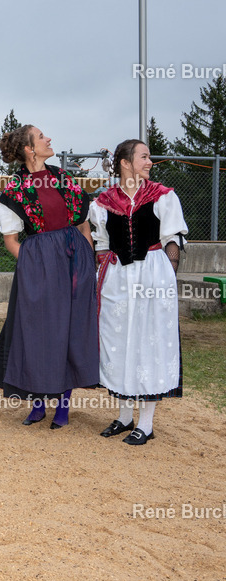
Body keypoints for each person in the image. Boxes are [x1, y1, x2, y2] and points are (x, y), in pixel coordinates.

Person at [0, 124, 98, 428]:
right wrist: (34, 266)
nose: (49, 139)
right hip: (38, 264)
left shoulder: (63, 178)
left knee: (70, 331)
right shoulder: (13, 191)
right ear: (29, 149)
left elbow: (83, 226)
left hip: (74, 257)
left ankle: (63, 408)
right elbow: (11, 239)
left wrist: (89, 264)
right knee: (37, 333)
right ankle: (37, 405)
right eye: (41, 137)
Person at [90, 139, 187, 445]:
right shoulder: (102, 203)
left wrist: (167, 275)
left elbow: (173, 239)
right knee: (117, 342)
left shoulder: (163, 197)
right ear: (125, 163)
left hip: (153, 274)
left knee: (149, 343)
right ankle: (123, 415)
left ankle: (146, 423)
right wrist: (104, 278)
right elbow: (102, 246)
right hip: (117, 278)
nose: (149, 162)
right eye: (144, 156)